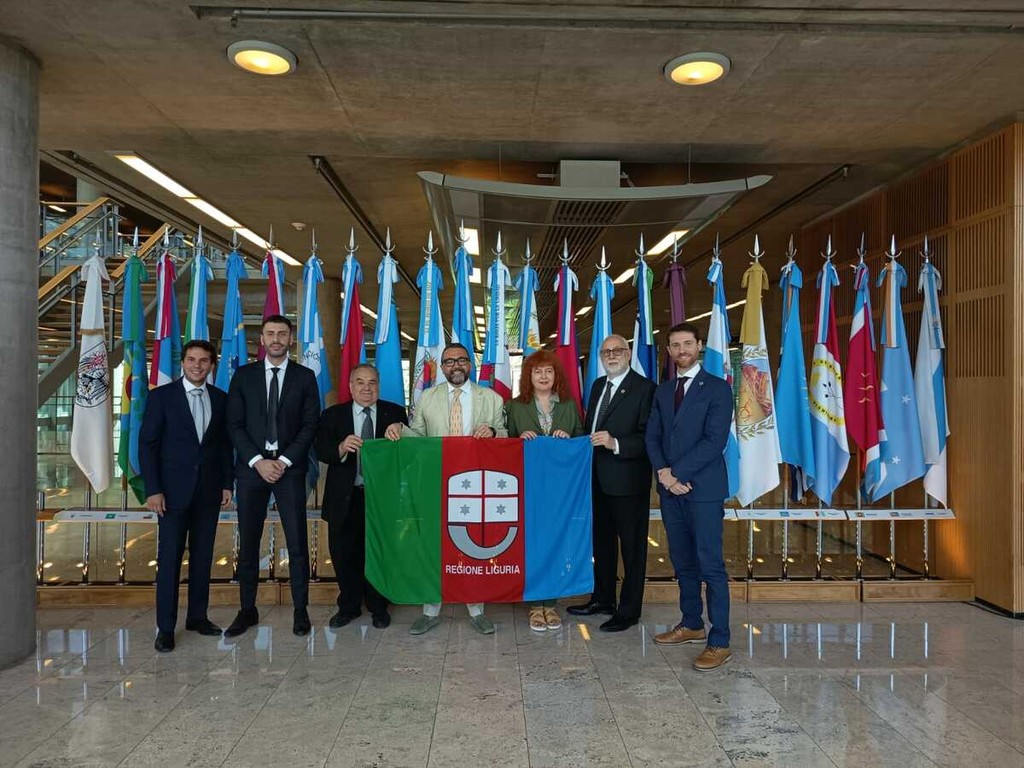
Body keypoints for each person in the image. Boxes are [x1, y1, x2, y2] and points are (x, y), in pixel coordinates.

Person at [383, 343, 507, 635]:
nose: (456, 366)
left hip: (474, 483)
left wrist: (492, 432)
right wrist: (399, 429)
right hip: (435, 482)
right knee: (433, 545)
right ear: (441, 367)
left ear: (470, 365)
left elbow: (505, 435)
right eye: (450, 361)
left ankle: (476, 609)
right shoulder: (427, 398)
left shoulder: (491, 398)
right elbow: (418, 436)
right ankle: (430, 610)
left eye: (462, 360)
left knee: (472, 544)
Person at [224, 315, 321, 638]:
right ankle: (247, 610)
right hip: (251, 470)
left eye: (282, 333)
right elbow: (234, 424)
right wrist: (257, 462)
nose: (276, 339)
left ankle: (300, 610)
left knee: (297, 544)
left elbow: (310, 424)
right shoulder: (243, 376)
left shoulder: (305, 377)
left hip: (290, 470)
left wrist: (283, 460)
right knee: (249, 543)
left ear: (290, 339)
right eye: (270, 333)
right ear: (262, 340)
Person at [645, 322, 734, 671]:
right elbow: (653, 437)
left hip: (703, 490)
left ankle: (720, 640)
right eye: (675, 345)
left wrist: (677, 474)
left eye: (687, 343)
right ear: (668, 351)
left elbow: (715, 441)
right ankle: (692, 623)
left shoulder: (718, 389)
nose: (681, 350)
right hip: (671, 490)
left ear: (699, 346)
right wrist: (664, 475)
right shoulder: (664, 391)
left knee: (710, 566)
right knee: (682, 562)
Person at [139, 340, 233, 653]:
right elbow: (148, 445)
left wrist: (227, 483)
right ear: (183, 363)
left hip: (208, 493)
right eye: (192, 360)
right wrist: (153, 489)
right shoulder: (161, 397)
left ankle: (197, 617)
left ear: (212, 365)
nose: (197, 366)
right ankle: (165, 628)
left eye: (204, 361)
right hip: (171, 495)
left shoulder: (220, 398)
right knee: (169, 561)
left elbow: (223, 446)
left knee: (203, 559)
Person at [567, 334, 655, 632]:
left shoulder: (645, 389)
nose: (612, 356)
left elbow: (650, 438)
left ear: (628, 354)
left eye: (617, 350)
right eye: (606, 352)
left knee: (632, 549)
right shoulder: (597, 386)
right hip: (596, 480)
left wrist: (615, 442)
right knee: (602, 545)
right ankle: (603, 599)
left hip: (628, 482)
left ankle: (628, 611)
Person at [314, 364, 407, 630]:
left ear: (379, 385)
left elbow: (408, 452)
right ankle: (349, 606)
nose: (367, 388)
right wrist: (341, 447)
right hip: (345, 497)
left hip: (382, 499)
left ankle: (378, 606)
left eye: (372, 383)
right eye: (360, 382)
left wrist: (402, 432)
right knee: (344, 554)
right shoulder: (333, 415)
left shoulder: (395, 413)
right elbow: (321, 450)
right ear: (351, 386)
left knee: (380, 552)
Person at [504, 349, 584, 632]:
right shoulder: (515, 407)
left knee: (557, 544)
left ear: (556, 375)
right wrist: (519, 439)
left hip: (561, 491)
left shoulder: (569, 406)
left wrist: (567, 438)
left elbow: (581, 443)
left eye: (548, 371)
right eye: (537, 371)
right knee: (532, 545)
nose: (543, 376)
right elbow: (503, 447)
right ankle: (534, 605)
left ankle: (550, 604)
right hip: (528, 488)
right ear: (529, 376)